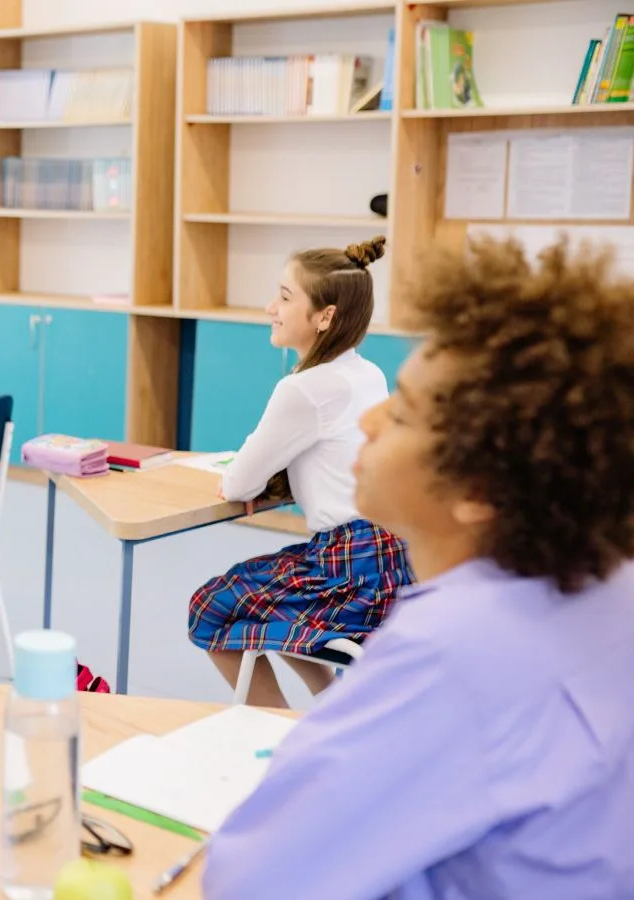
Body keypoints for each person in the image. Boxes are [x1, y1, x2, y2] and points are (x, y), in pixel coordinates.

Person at [204, 235, 634, 899]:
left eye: (403, 412)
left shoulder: (450, 647)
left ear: (478, 493)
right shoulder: (607, 583)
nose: (371, 420)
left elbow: (249, 879)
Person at [187, 236, 413, 709]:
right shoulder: (365, 372)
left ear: (325, 317)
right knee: (277, 605)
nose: (272, 307)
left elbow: (238, 483)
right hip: (393, 556)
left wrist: (253, 477)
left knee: (210, 607)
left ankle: (276, 728)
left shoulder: (304, 388)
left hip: (348, 569)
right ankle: (328, 711)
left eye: (285, 298)